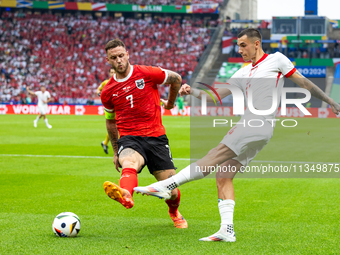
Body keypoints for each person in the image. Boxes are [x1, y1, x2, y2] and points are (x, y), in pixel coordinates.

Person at [134, 28, 340, 241]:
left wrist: (331, 101)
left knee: (216, 154)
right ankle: (227, 230)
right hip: (260, 129)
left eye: (243, 45)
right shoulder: (242, 72)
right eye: (238, 45)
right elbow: (214, 96)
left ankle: (167, 185)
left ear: (256, 44)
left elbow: (304, 83)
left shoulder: (277, 60)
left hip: (256, 123)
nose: (240, 49)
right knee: (223, 174)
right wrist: (192, 92)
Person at [100, 39, 188, 228]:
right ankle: (126, 195)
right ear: (108, 60)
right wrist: (116, 151)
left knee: (171, 190)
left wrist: (171, 104)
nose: (119, 60)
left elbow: (176, 79)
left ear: (128, 54)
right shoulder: (107, 91)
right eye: (114, 58)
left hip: (156, 136)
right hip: (130, 137)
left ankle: (174, 211)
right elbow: (110, 121)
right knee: (129, 162)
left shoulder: (147, 73)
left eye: (121, 55)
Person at [96, 68, 115, 154]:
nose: (113, 73)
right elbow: (98, 90)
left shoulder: (121, 81)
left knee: (116, 126)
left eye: (114, 72)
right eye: (111, 72)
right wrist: (100, 94)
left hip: (119, 107)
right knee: (114, 126)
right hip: (111, 108)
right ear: (109, 73)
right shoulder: (105, 82)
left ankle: (105, 143)